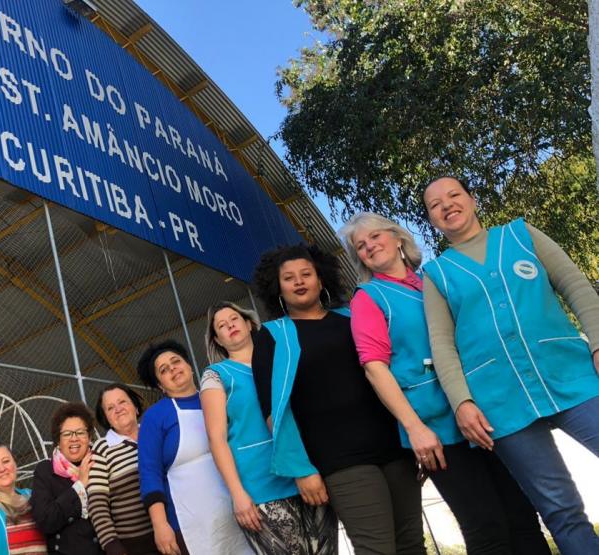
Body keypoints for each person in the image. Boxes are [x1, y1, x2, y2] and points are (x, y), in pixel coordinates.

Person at [340, 211, 549, 554]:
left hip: (485, 414)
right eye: (360, 246)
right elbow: (375, 369)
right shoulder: (369, 298)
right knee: (485, 526)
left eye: (375, 237)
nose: (369, 247)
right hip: (437, 430)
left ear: (397, 238)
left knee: (523, 515)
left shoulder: (436, 280)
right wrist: (414, 428)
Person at [422, 176, 599, 553]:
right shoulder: (437, 275)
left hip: (573, 377)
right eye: (435, 204)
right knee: (561, 510)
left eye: (454, 195)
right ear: (432, 219)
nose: (447, 205)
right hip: (501, 405)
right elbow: (441, 345)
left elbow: (576, 286)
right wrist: (462, 402)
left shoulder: (522, 236)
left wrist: (598, 344)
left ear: (472, 199)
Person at [251, 244, 425, 555]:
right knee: (376, 549)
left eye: (307, 274)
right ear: (277, 288)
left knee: (412, 544)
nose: (299, 281)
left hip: (394, 446)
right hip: (339, 461)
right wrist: (302, 469)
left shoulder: (353, 315)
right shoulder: (272, 336)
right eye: (289, 278)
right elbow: (274, 410)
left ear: (321, 279)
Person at [201, 301, 338, 554]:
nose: (230, 325)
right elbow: (216, 438)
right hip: (260, 489)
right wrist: (237, 494)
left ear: (249, 323)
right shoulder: (216, 375)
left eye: (234, 318)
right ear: (218, 340)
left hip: (308, 473)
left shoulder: (282, 360)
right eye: (221, 325)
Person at [136, 340, 253, 555]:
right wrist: (160, 525)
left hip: (243, 506)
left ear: (190, 366)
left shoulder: (221, 397)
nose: (172, 369)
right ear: (160, 385)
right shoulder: (155, 417)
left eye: (176, 362)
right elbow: (149, 473)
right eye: (164, 370)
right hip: (191, 524)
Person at [88, 383, 158, 555]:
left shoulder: (155, 433)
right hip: (134, 547)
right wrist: (112, 545)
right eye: (110, 408)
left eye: (122, 402)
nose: (118, 409)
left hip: (173, 532)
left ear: (135, 406)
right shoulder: (101, 449)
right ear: (106, 418)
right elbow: (98, 504)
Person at [31, 402, 104, 554]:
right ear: (58, 440)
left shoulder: (102, 464)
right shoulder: (46, 471)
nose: (74, 439)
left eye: (80, 432)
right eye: (67, 434)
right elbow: (46, 520)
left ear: (89, 436)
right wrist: (80, 485)